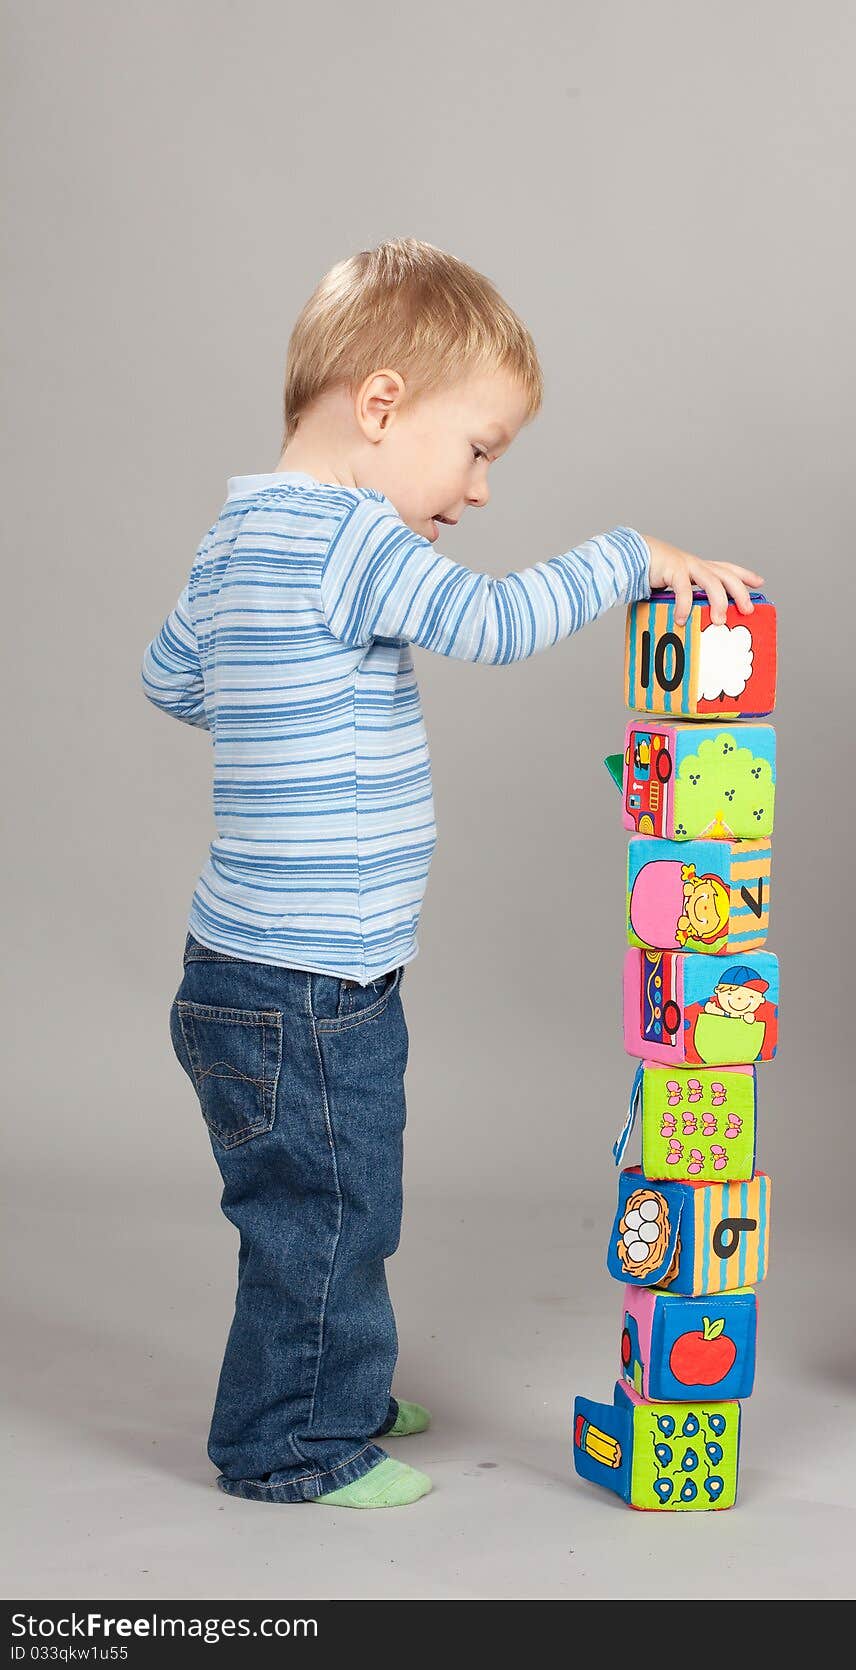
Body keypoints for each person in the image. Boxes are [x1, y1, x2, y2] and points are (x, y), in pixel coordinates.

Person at [141, 237, 763, 1508]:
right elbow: (492, 623)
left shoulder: (233, 535)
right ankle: (289, 1444)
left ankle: (338, 1381)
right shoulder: (352, 538)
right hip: (312, 982)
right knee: (325, 1212)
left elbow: (169, 679)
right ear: (380, 406)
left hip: (249, 970)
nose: (478, 489)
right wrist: (627, 553)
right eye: (478, 448)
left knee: (333, 1197)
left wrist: (279, 701)